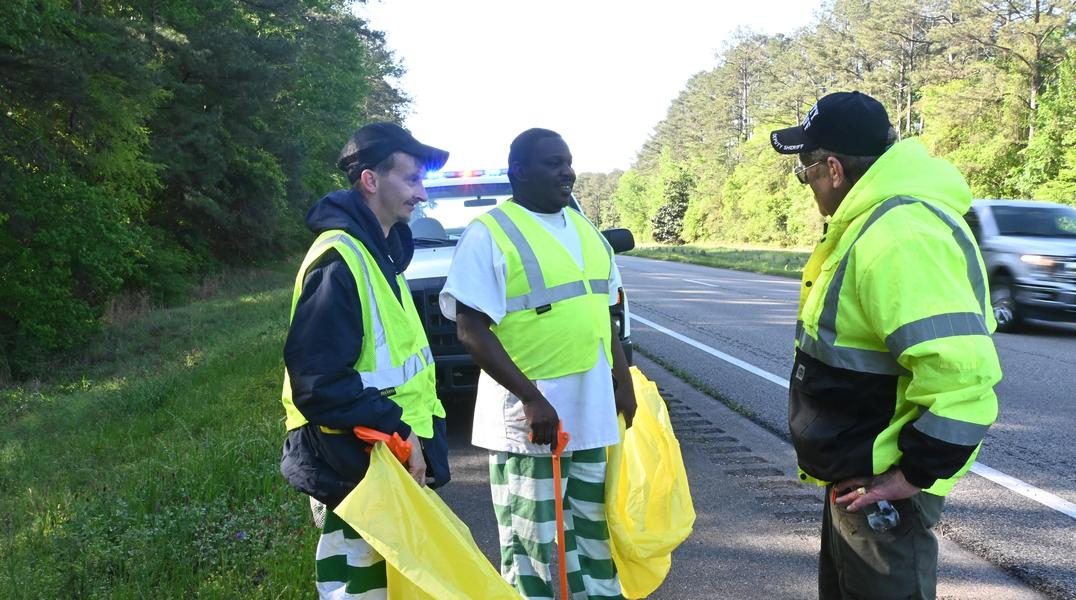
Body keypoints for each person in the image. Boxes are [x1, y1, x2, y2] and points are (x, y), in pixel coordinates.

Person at [770, 91, 1002, 599]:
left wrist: (912, 475)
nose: (805, 182)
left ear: (832, 168)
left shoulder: (899, 235)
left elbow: (962, 378)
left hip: (883, 488)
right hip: (858, 477)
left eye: (804, 169)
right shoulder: (870, 225)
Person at [440, 128, 636, 600]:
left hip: (590, 415)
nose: (566, 171)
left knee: (593, 534)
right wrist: (531, 397)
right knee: (530, 542)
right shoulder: (490, 233)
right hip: (530, 423)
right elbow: (470, 328)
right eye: (552, 162)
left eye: (568, 161)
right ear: (519, 172)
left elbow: (602, 310)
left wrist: (623, 377)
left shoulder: (586, 229)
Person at [278, 122, 451, 599]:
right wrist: (398, 429)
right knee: (362, 591)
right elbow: (319, 383)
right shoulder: (340, 260)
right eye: (412, 178)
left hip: (385, 463)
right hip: (359, 466)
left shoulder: (378, 255)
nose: (422, 193)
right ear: (371, 181)